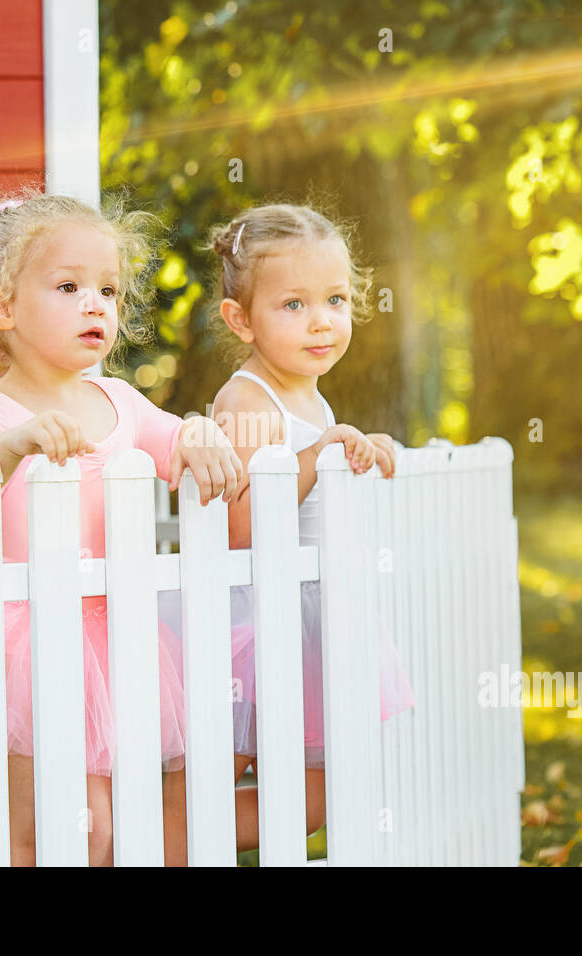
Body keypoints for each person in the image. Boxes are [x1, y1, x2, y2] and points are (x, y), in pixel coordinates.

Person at [0, 186, 243, 866]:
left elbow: (175, 445)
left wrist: (201, 429)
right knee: (30, 829)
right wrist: (17, 444)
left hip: (107, 639)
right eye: (69, 286)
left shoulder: (118, 400)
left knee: (101, 830)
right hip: (16, 646)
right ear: (4, 308)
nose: (96, 304)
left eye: (109, 291)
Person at [160, 202, 416, 864]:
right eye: (294, 305)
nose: (322, 320)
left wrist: (353, 452)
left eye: (335, 299)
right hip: (245, 625)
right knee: (211, 779)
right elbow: (243, 523)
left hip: (303, 619)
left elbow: (321, 478)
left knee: (316, 792)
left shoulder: (311, 393)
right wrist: (322, 451)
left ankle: (175, 838)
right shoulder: (247, 399)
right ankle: (158, 839)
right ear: (241, 320)